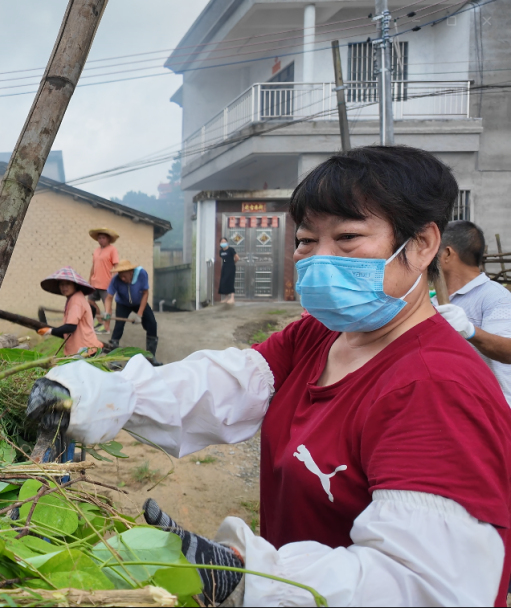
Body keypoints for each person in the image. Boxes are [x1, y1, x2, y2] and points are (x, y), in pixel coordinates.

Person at [27, 146, 511, 606]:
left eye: (346, 237)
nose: (318, 258)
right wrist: (106, 394)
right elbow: (232, 382)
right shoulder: (320, 335)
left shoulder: (436, 387)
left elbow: (426, 584)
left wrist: (260, 583)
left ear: (423, 244)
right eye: (305, 240)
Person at [434, 221, 511, 405]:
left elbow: (508, 352)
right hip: (457, 407)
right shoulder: (434, 302)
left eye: (433, 250)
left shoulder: (494, 296)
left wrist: (470, 330)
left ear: (446, 254)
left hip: (494, 411)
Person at [35, 267, 103, 357]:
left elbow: (70, 327)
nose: (64, 287)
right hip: (83, 348)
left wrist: (50, 331)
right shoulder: (74, 298)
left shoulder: (76, 300)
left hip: (84, 350)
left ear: (75, 285)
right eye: (62, 284)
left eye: (68, 284)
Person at [102, 260, 158, 359]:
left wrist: (140, 314)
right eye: (120, 276)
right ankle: (113, 358)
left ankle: (151, 356)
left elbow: (145, 293)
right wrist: (107, 311)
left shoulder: (142, 274)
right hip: (123, 303)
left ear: (131, 272)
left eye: (124, 276)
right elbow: (109, 297)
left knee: (152, 324)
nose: (122, 279)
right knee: (118, 327)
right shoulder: (116, 280)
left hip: (139, 302)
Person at [88, 228, 120, 325]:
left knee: (107, 307)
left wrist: (113, 281)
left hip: (107, 283)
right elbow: (94, 265)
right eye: (99, 238)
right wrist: (90, 279)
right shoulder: (96, 251)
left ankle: (106, 327)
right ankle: (100, 322)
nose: (101, 240)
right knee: (90, 302)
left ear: (108, 239)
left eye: (103, 238)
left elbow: (116, 266)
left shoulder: (112, 250)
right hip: (95, 283)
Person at [218, 237, 240, 304]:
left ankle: (232, 298)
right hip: (224, 267)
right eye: (222, 242)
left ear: (227, 242)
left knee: (230, 281)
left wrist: (232, 263)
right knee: (224, 282)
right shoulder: (221, 251)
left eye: (225, 241)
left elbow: (237, 258)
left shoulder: (231, 249)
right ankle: (226, 298)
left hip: (231, 267)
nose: (223, 243)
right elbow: (223, 259)